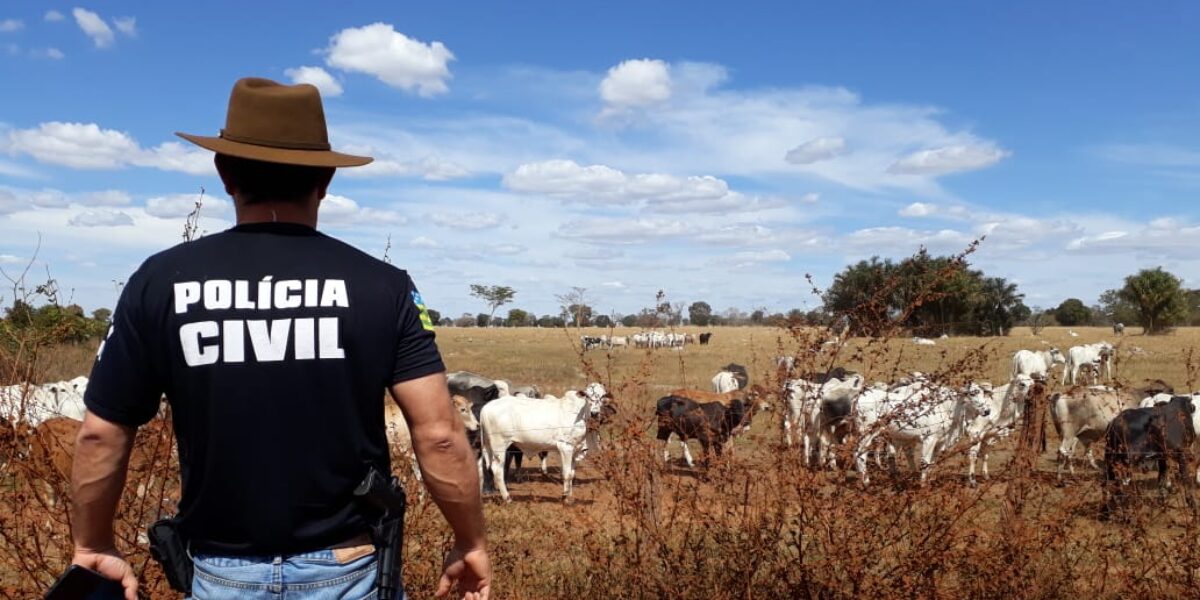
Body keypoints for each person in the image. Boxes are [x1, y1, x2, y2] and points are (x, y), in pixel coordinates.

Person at [69, 77, 491, 600]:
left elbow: (99, 435)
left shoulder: (159, 282)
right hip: (350, 570)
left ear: (224, 174)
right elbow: (441, 435)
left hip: (221, 573)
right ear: (327, 178)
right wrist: (469, 538)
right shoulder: (382, 286)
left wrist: (92, 544)